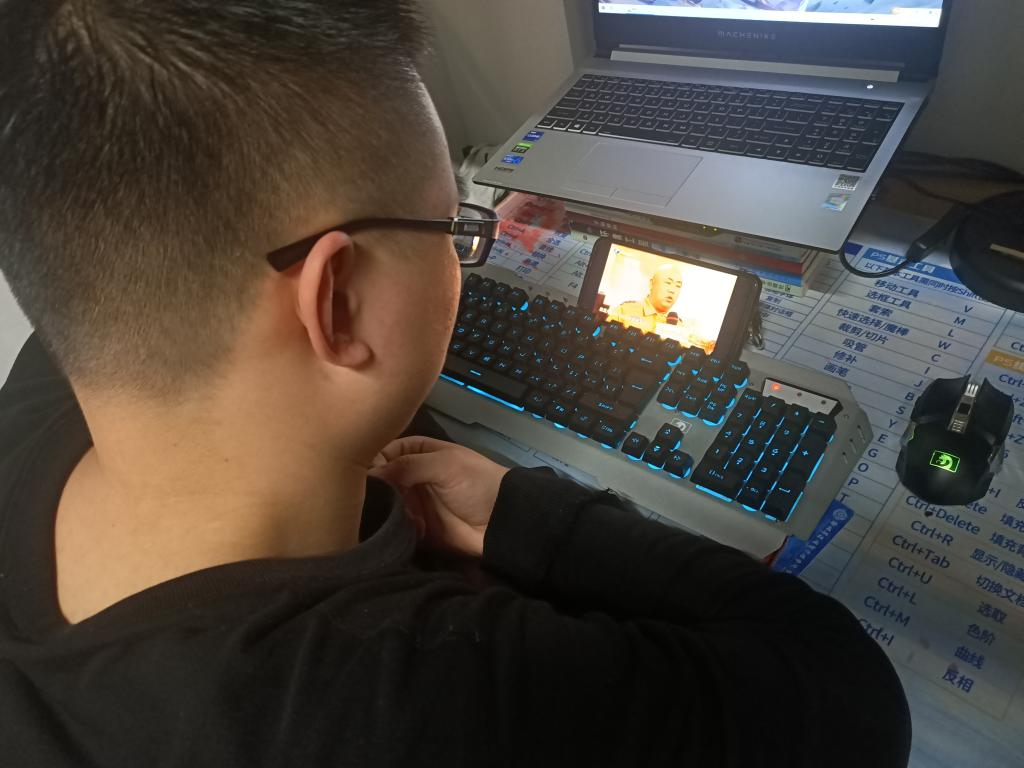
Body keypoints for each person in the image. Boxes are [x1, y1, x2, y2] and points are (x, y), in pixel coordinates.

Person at [0, 2, 911, 766]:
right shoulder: (431, 701)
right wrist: (530, 514)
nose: (466, 252)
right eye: (454, 227)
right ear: (337, 303)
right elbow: (847, 698)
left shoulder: (48, 385)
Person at [607, 263, 685, 334]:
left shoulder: (680, 327)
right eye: (668, 283)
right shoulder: (624, 311)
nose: (672, 290)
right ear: (651, 284)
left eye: (678, 286)